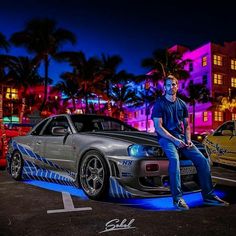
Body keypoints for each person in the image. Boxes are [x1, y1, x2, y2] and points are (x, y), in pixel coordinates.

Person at [151, 75, 229, 210]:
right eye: (168, 85)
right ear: (165, 88)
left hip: (181, 137)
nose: (171, 87)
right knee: (174, 160)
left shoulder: (181, 104)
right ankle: (177, 199)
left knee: (203, 160)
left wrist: (188, 140)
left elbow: (187, 125)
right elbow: (158, 127)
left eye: (174, 84)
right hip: (166, 138)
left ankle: (209, 197)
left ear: (177, 86)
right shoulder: (159, 103)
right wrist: (175, 140)